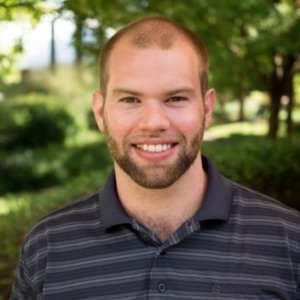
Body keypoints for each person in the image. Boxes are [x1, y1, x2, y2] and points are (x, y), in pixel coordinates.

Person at [10, 16, 300, 300]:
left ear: (207, 109)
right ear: (100, 113)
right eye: (130, 100)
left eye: (175, 98)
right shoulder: (47, 247)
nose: (153, 122)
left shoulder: (288, 241)